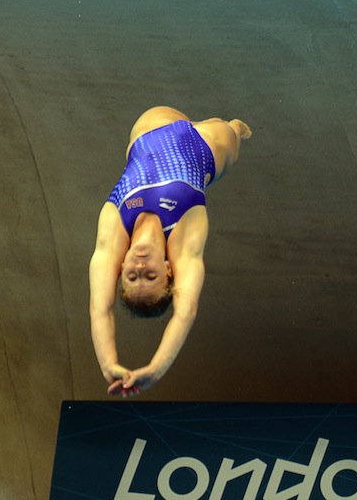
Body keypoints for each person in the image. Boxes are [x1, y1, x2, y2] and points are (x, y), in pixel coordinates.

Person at [90, 107, 252, 396]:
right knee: (228, 131)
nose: (140, 267)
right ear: (168, 269)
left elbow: (100, 308)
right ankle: (236, 129)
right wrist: (156, 369)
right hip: (206, 148)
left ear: (120, 268)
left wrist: (108, 363)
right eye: (150, 276)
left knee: (162, 116)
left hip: (152, 129)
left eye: (131, 277)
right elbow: (185, 312)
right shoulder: (184, 239)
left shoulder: (114, 230)